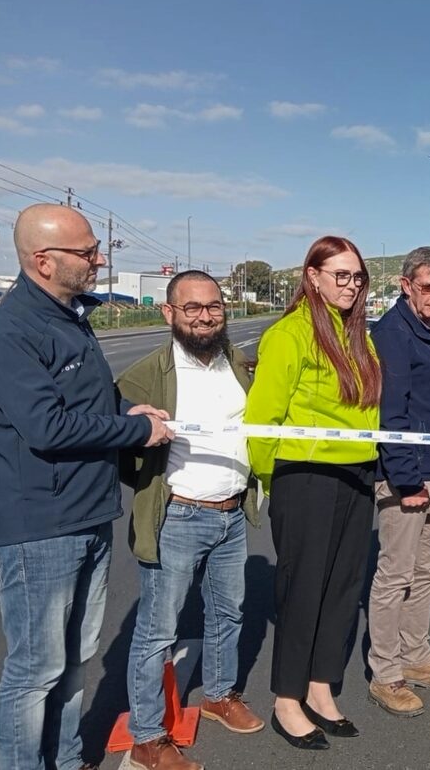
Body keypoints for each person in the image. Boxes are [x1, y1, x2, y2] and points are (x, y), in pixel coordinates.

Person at [0, 203, 173, 770]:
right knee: (35, 670)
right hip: (40, 529)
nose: (98, 259)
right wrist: (137, 431)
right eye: (87, 252)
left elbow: (90, 400)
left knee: (75, 658)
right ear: (43, 261)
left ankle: (65, 757)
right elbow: (48, 426)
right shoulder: (9, 334)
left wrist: (129, 410)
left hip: (88, 514)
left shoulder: (69, 318)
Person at [118, 271, 263, 770]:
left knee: (229, 613)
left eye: (213, 307)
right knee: (158, 632)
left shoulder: (239, 365)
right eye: (192, 308)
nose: (205, 317)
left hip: (232, 513)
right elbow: (120, 441)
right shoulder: (146, 374)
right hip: (179, 516)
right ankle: (147, 738)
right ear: (169, 313)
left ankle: (220, 695)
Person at [246, 236, 382, 750]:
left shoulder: (358, 336)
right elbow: (263, 419)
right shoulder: (289, 335)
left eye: (357, 277)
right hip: (305, 479)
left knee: (343, 588)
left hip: (356, 475)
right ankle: (287, 699)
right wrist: (272, 480)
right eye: (340, 275)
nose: (351, 285)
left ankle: (321, 688)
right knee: (302, 590)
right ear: (313, 277)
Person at [367, 247, 430, 718]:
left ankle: (416, 656)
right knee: (396, 575)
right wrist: (405, 481)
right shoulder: (393, 333)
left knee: (428, 571)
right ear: (406, 285)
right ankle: (386, 673)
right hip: (409, 475)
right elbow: (393, 413)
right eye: (429, 286)